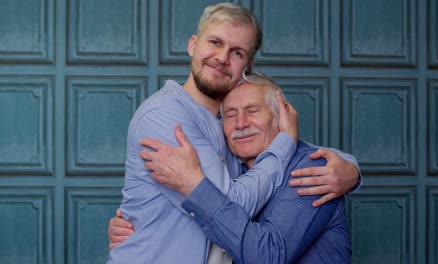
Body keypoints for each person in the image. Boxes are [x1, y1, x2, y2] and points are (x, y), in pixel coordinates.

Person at [108, 3, 359, 263]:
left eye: (236, 52)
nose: (222, 57)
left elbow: (292, 150)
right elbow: (231, 204)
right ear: (193, 45)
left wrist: (351, 169)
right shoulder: (164, 115)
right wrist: (285, 142)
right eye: (215, 42)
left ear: (246, 67)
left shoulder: (227, 130)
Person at [111, 73, 351, 263]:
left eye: (253, 110)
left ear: (280, 117)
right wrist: (139, 227)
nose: (241, 123)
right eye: (230, 115)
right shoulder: (233, 172)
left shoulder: (314, 169)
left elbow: (267, 256)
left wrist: (194, 186)